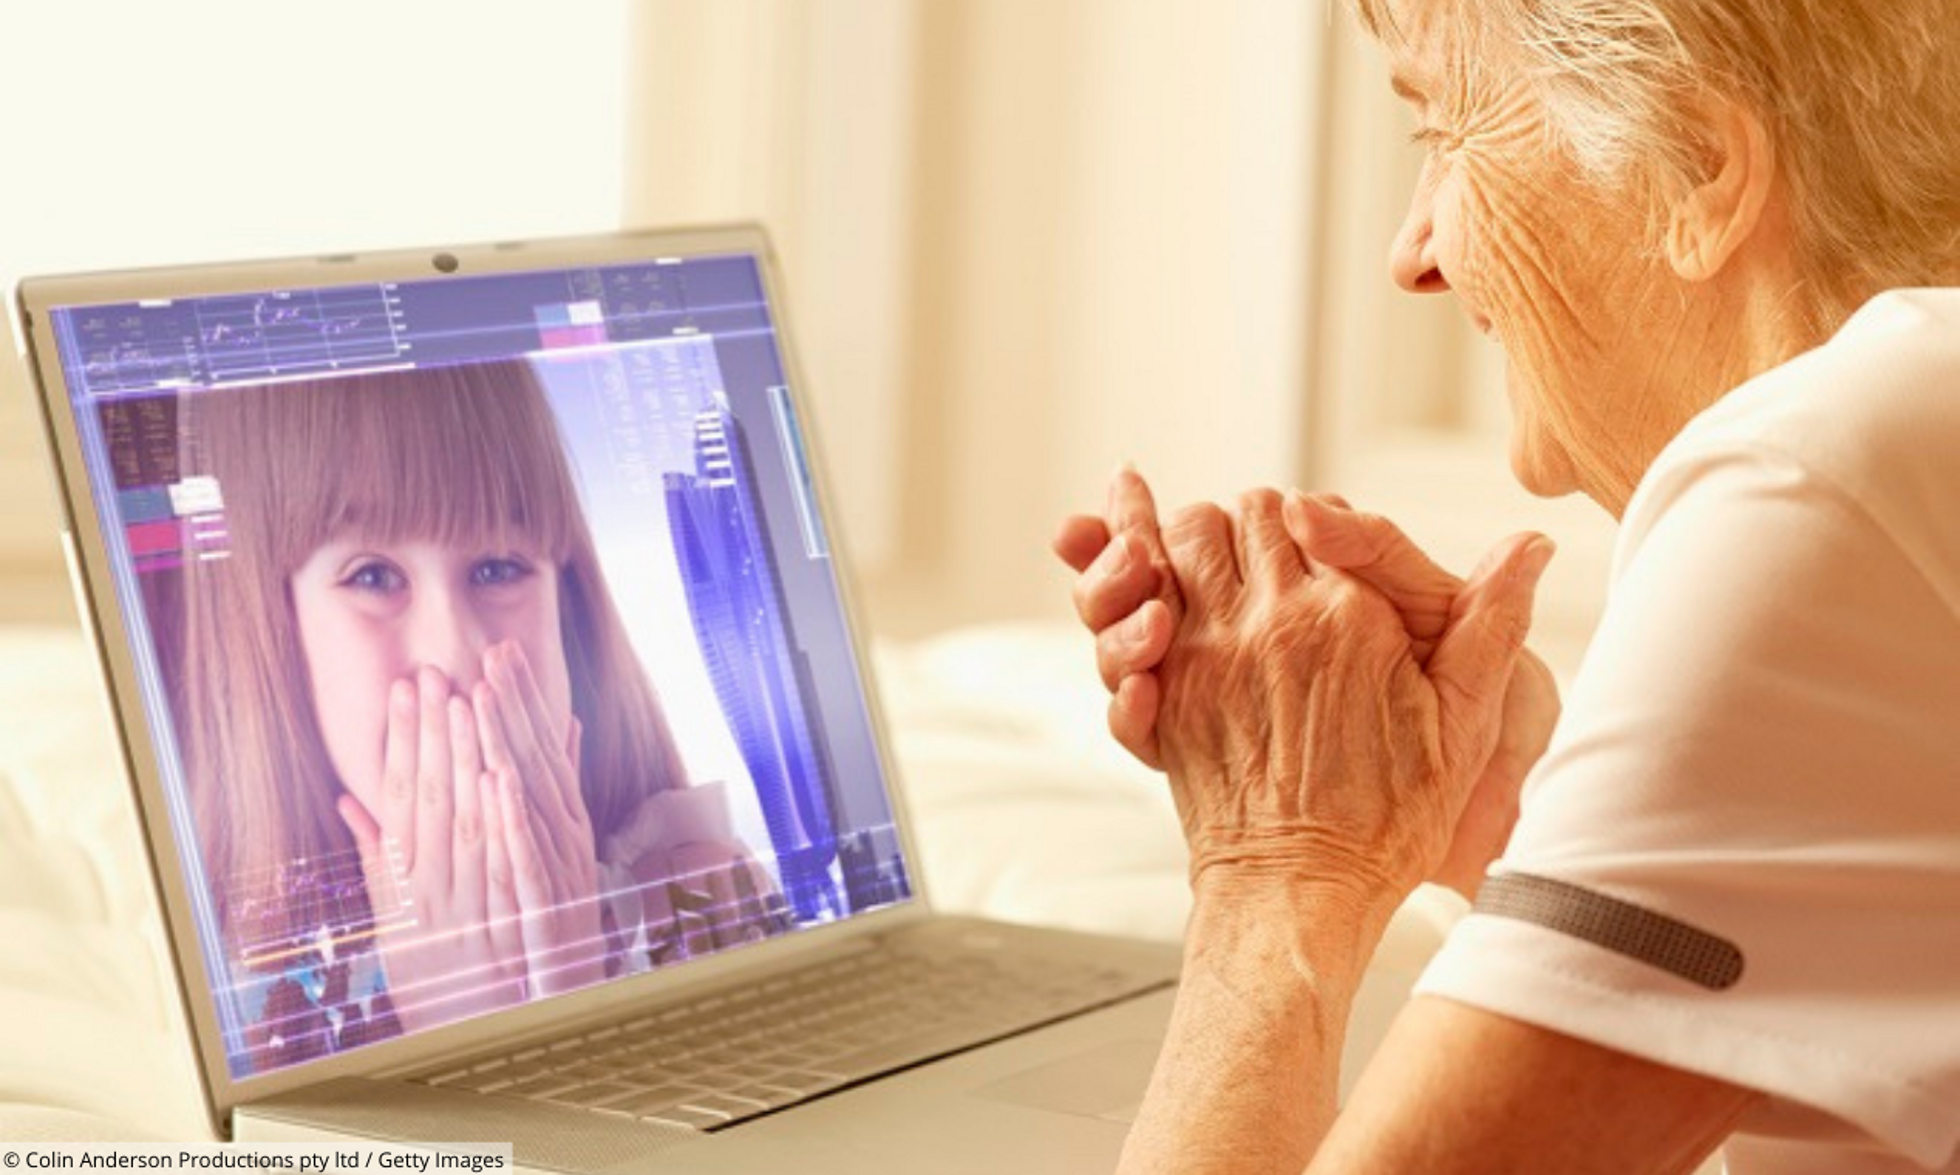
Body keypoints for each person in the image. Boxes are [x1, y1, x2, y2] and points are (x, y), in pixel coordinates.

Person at [1055, 1, 1960, 1172]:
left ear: (1700, 164)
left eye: (1440, 133)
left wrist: (1277, 864)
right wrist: (1529, 822)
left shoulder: (1822, 466)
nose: (1413, 251)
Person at [168, 358, 786, 1069]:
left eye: (497, 567)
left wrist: (562, 1001)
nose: (457, 653)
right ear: (273, 637)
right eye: (373, 576)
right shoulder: (238, 993)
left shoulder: (695, 892)